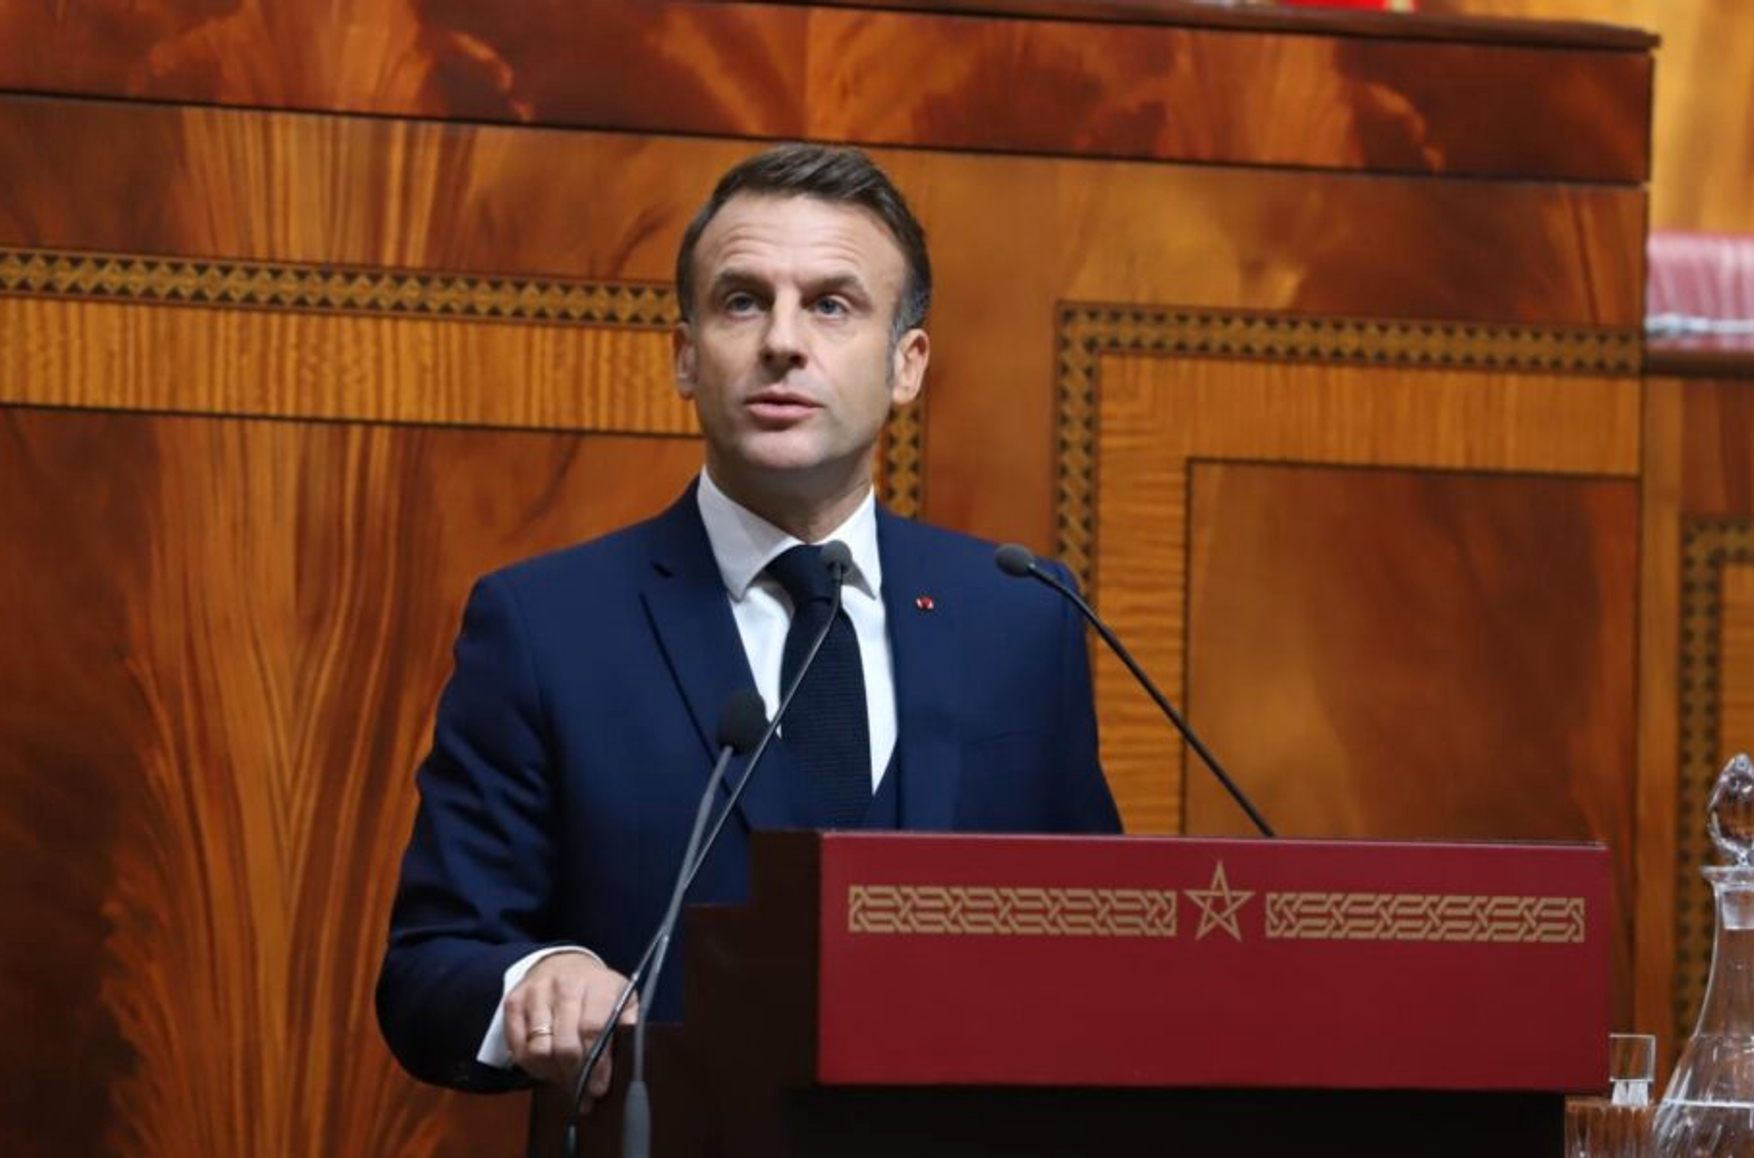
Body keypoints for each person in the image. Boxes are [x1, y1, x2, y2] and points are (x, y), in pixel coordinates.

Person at [376, 143, 1121, 1108]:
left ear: (906, 365)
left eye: (832, 305)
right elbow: (430, 970)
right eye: (741, 301)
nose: (782, 342)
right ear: (686, 357)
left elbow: (1100, 939)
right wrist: (539, 980)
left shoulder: (1022, 614)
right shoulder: (544, 626)